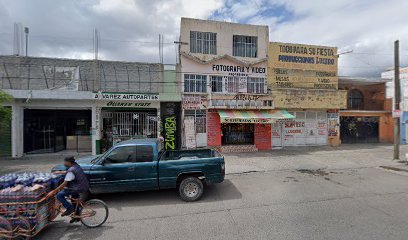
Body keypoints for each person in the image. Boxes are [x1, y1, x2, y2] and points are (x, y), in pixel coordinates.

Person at [51, 156, 89, 222]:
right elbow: (71, 172)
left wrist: (54, 191)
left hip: (77, 188)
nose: (64, 163)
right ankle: (77, 216)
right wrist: (60, 172)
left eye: (65, 161)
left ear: (68, 162)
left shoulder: (71, 170)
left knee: (59, 195)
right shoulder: (76, 166)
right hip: (82, 185)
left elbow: (65, 183)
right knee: (74, 201)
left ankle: (69, 208)